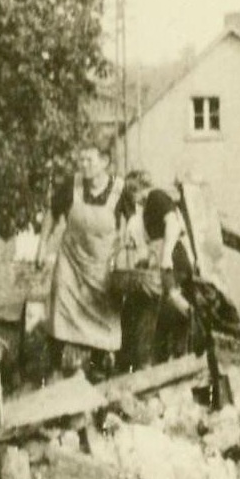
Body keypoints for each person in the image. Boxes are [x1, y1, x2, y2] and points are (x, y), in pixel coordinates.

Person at [35, 139, 125, 378]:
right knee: (59, 307)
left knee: (102, 318)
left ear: (105, 162)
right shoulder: (72, 186)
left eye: (89, 160)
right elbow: (52, 213)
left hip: (101, 268)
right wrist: (42, 246)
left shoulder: (120, 190)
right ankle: (53, 368)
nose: (83, 165)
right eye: (81, 159)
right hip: (71, 260)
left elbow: (134, 225)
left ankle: (97, 370)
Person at [117, 172, 196, 370]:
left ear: (136, 189)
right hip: (163, 258)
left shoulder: (156, 196)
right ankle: (168, 358)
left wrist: (167, 255)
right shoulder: (146, 209)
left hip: (173, 259)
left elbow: (172, 224)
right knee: (163, 313)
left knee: (173, 298)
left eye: (131, 192)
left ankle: (198, 321)